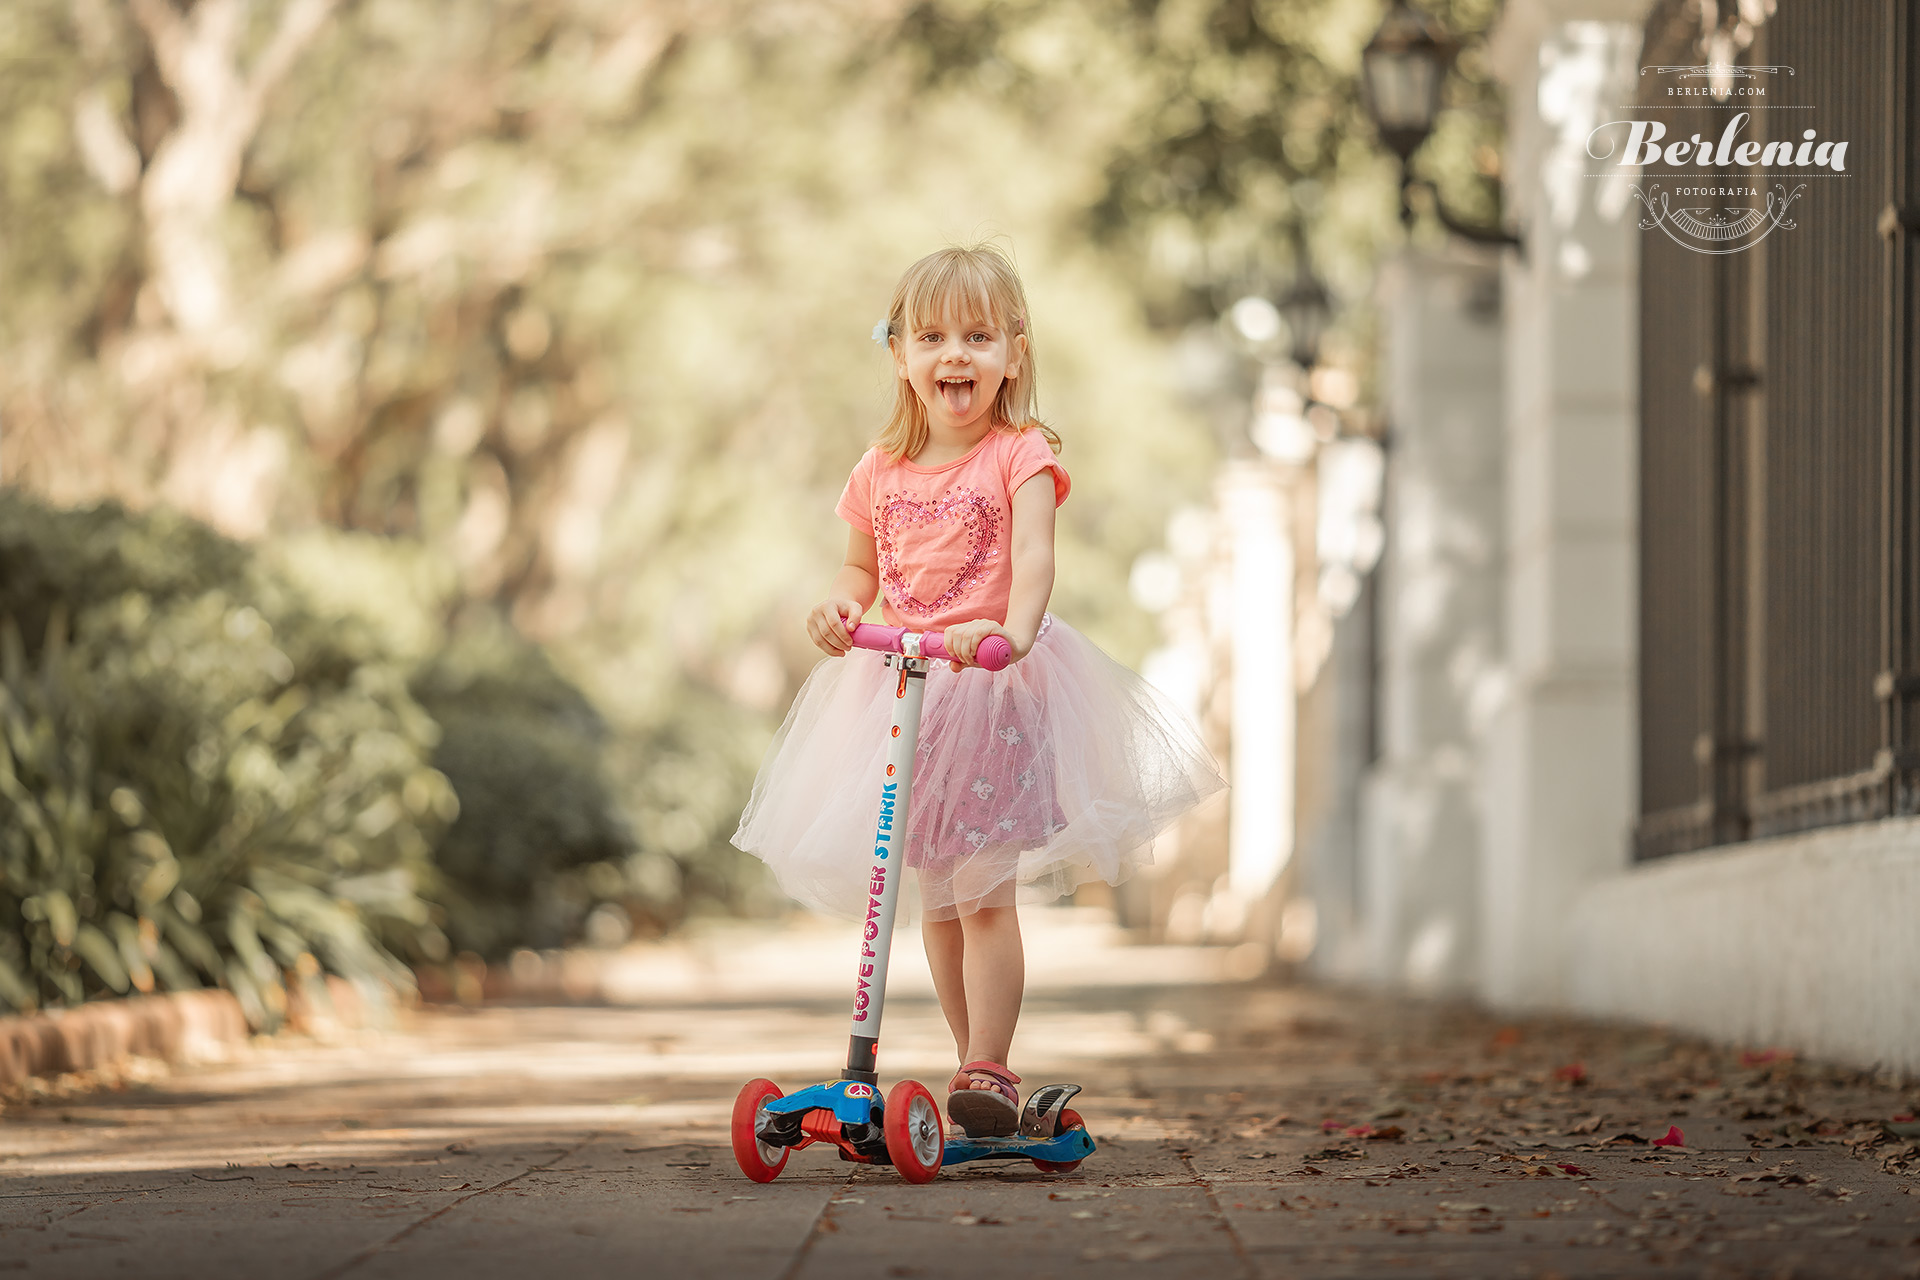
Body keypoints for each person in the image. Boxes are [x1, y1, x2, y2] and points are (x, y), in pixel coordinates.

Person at [733, 244, 1222, 1137]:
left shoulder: (1019, 454)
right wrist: (841, 610)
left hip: (990, 687)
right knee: (935, 899)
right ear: (901, 357)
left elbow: (1034, 556)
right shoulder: (877, 469)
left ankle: (991, 1063)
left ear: (1013, 353)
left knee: (985, 890)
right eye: (932, 337)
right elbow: (858, 567)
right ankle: (973, 1069)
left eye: (977, 336)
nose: (954, 355)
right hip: (903, 691)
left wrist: (1013, 630)